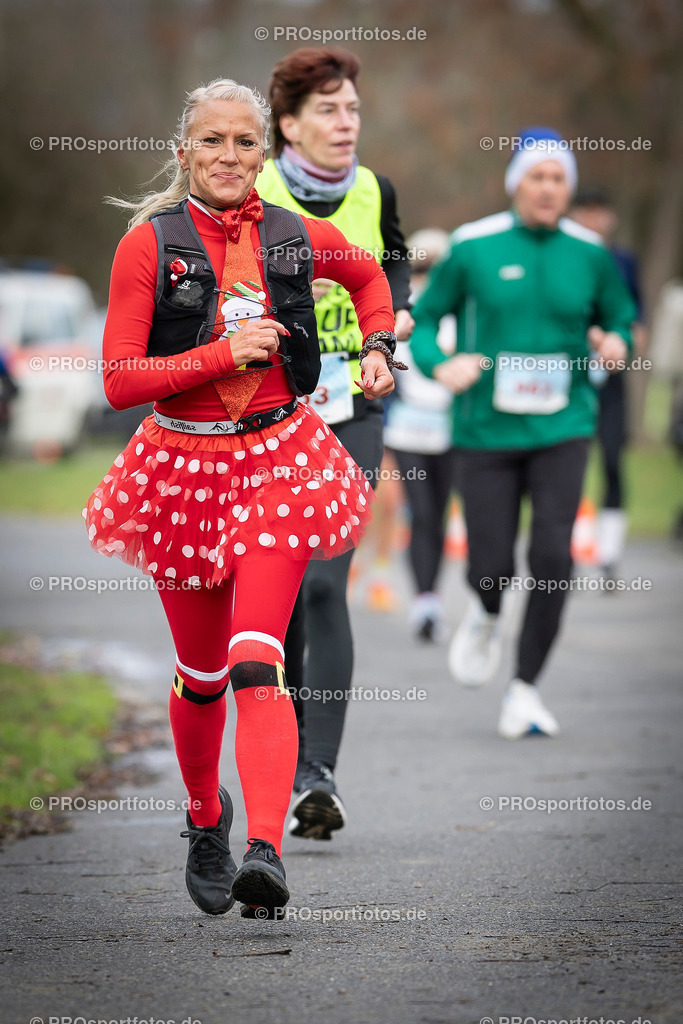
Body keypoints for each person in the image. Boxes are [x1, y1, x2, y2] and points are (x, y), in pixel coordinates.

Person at [83, 78, 400, 917]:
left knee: (257, 657)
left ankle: (265, 849)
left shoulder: (296, 237)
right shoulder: (150, 246)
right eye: (213, 142)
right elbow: (119, 382)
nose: (230, 158)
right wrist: (221, 355)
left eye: (245, 143)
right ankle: (204, 817)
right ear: (184, 150)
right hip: (182, 468)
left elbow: (371, 277)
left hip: (280, 459)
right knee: (201, 676)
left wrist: (375, 346)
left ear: (266, 154)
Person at [410, 128, 636, 739]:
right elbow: (426, 320)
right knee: (491, 565)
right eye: (536, 176)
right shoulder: (474, 246)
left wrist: (616, 340)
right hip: (485, 431)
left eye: (558, 178)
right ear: (516, 183)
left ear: (568, 188)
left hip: (564, 425)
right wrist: (440, 362)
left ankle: (525, 687)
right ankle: (485, 611)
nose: (547, 188)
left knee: (553, 556)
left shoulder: (590, 253)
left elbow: (618, 314)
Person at [257, 48, 412, 839]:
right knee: (275, 600)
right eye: (327, 110)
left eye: (351, 109)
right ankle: (280, 763)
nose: (345, 123)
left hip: (351, 408)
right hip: (266, 416)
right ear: (288, 124)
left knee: (323, 583)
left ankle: (318, 773)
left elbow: (392, 262)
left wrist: (392, 324)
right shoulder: (252, 192)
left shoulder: (376, 190)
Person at [384, 228, 458, 641]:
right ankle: (423, 601)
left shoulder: (459, 309)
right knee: (423, 513)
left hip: (451, 428)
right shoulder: (401, 310)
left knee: (440, 515)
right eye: (421, 267)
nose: (428, 275)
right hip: (409, 428)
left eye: (436, 268)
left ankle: (432, 596)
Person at [569, 188, 646, 577]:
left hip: (610, 376)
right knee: (570, 461)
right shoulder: (567, 254)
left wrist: (623, 341)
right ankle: (576, 543)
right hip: (570, 374)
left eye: (602, 213)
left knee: (613, 458)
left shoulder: (623, 261)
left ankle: (610, 551)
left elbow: (635, 316)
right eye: (588, 213)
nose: (595, 221)